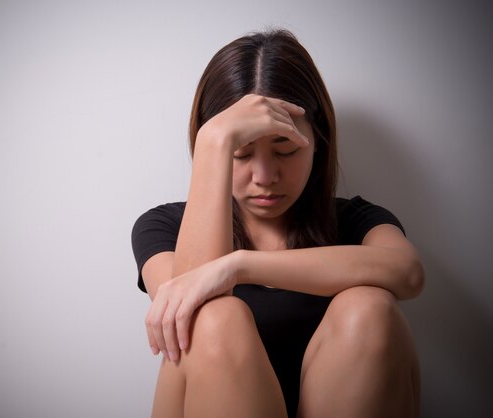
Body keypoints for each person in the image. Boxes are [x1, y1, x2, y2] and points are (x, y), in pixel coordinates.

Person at [131, 29, 424, 418]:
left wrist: (238, 266)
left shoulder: (353, 221)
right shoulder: (164, 225)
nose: (265, 176)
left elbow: (408, 273)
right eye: (241, 153)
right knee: (216, 316)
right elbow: (187, 311)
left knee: (370, 306)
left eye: (285, 149)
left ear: (317, 142)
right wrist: (214, 138)